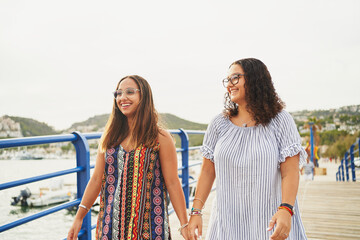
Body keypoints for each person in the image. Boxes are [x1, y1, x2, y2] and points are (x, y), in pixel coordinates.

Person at [188, 58, 308, 240]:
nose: (229, 84)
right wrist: (196, 212)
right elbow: (207, 170)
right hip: (228, 221)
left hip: (269, 219)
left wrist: (286, 209)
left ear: (255, 79)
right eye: (227, 80)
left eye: (235, 78)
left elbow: (290, 172)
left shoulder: (281, 120)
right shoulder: (218, 124)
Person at [67, 75, 189, 240]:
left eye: (130, 92)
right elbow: (96, 179)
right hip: (110, 227)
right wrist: (79, 217)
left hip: (150, 228)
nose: (122, 98)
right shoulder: (110, 137)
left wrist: (184, 224)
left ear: (143, 96)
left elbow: (173, 182)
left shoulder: (160, 137)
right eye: (118, 93)